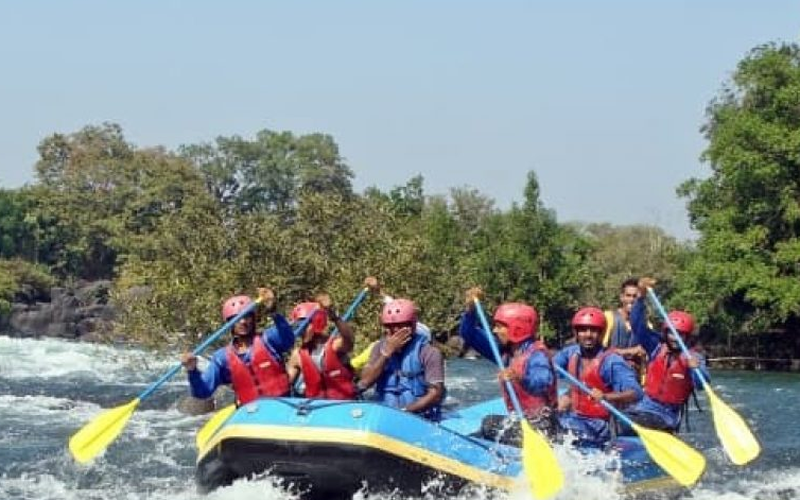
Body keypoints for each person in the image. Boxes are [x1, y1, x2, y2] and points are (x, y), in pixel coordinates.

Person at [458, 287, 558, 441]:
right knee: (485, 427)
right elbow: (468, 334)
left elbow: (543, 382)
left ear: (517, 328)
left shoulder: (537, 355)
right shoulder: (504, 353)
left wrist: (518, 376)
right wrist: (471, 310)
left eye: (500, 326)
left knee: (489, 424)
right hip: (522, 421)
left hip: (543, 426)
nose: (495, 330)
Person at [181, 288, 296, 405]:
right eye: (237, 319)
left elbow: (288, 338)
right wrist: (192, 370)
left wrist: (273, 311)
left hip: (284, 407)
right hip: (249, 414)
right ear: (230, 323)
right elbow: (203, 392)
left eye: (247, 317)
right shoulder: (222, 358)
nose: (243, 322)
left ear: (253, 319)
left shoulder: (269, 339)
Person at [623, 277, 709, 432]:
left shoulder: (694, 357)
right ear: (665, 333)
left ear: (687, 337)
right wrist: (641, 296)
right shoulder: (655, 346)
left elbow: (702, 384)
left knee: (645, 422)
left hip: (668, 415)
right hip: (646, 406)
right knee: (622, 420)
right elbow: (637, 324)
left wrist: (696, 370)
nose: (675, 338)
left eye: (680, 335)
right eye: (671, 333)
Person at [554, 306, 643, 445]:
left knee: (560, 430)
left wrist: (606, 396)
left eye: (593, 330)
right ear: (576, 333)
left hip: (597, 426)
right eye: (583, 330)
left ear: (601, 333)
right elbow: (548, 372)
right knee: (543, 421)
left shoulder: (611, 361)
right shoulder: (570, 353)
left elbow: (636, 393)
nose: (588, 334)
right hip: (573, 417)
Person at [357, 298, 445, 420]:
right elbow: (364, 383)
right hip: (384, 415)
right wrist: (386, 354)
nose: (395, 330)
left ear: (412, 325)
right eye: (390, 326)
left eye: (400, 325)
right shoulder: (378, 348)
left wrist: (405, 411)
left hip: (418, 417)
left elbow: (436, 394)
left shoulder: (429, 352)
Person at [349, 276, 431, 374]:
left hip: (411, 359)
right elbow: (390, 302)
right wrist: (377, 289)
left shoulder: (423, 332)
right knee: (374, 348)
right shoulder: (379, 346)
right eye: (392, 326)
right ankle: (347, 368)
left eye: (400, 325)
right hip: (390, 352)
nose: (396, 329)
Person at [285, 293, 357, 400]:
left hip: (343, 406)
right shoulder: (297, 355)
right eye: (298, 326)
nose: (301, 331)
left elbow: (349, 340)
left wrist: (334, 317)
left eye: (305, 326)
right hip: (316, 409)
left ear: (317, 322)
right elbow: (285, 384)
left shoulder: (334, 345)